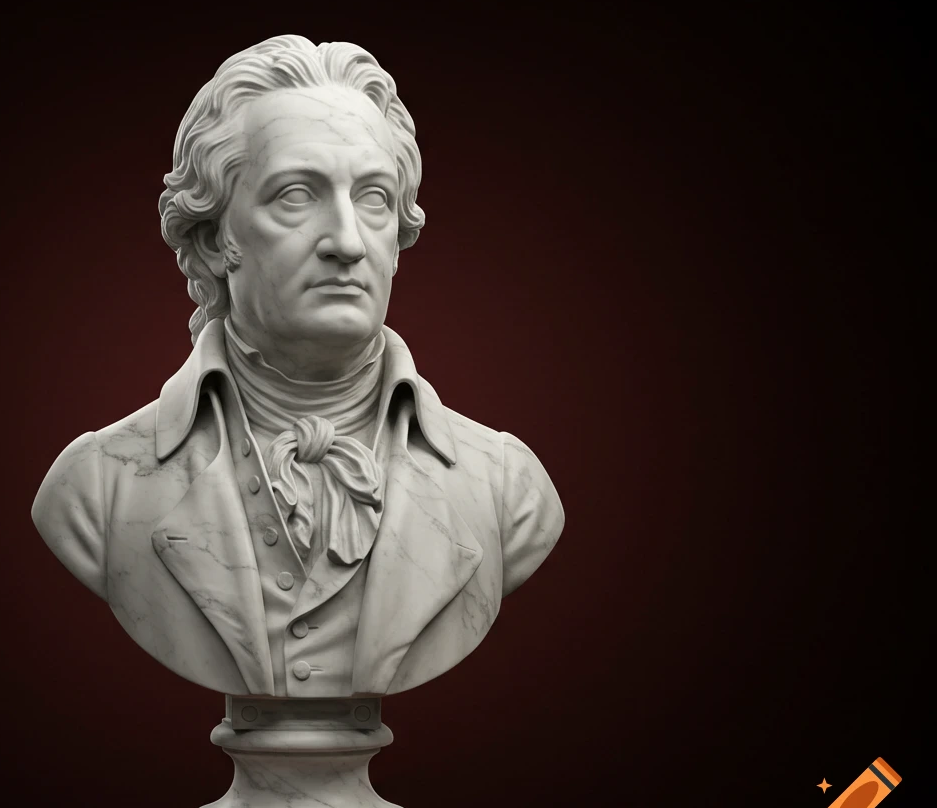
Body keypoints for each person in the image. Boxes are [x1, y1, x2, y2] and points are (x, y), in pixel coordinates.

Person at [32, 34, 564, 698]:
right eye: (295, 195)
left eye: (373, 198)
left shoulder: (507, 488)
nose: (345, 241)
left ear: (398, 237)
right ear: (214, 236)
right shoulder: (98, 490)